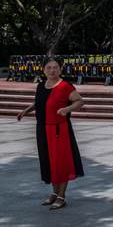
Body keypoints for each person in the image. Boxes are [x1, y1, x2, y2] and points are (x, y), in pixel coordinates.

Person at [16, 57, 85, 210]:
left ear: (60, 69)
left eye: (55, 67)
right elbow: (39, 103)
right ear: (44, 70)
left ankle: (61, 196)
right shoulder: (41, 85)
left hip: (59, 130)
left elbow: (79, 101)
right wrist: (25, 111)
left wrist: (66, 109)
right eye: (49, 67)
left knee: (61, 161)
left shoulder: (65, 86)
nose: (52, 70)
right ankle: (54, 193)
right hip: (42, 129)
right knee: (49, 161)